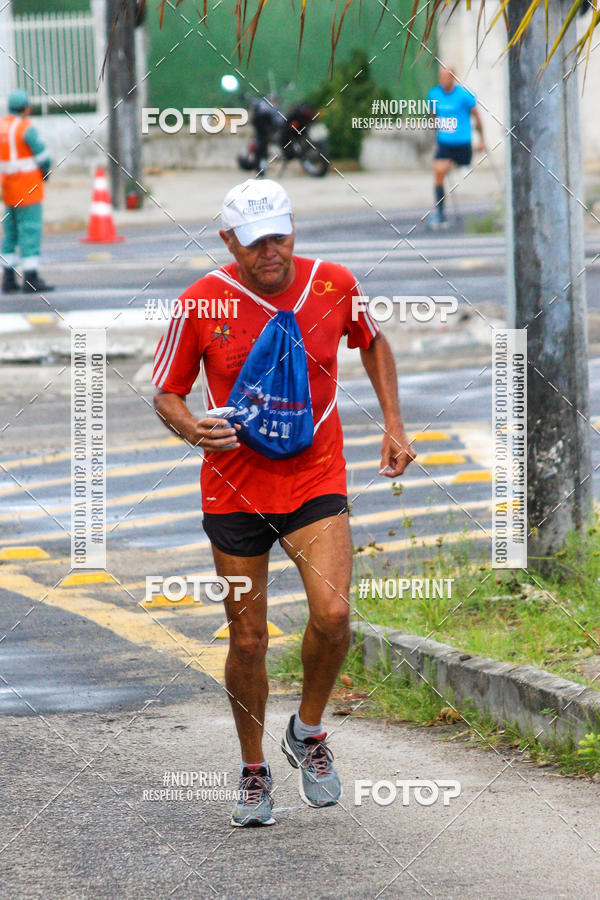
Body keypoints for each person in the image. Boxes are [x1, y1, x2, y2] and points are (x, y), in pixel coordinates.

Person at [152, 179, 416, 827]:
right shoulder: (199, 303)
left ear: (294, 227)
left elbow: (372, 340)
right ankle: (253, 770)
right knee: (248, 640)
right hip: (234, 490)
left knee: (334, 614)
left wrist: (393, 423)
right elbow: (166, 392)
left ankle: (308, 731)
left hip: (314, 481)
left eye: (279, 236)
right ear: (228, 242)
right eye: (254, 242)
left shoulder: (334, 284)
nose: (270, 251)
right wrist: (191, 428)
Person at [0, 89, 53, 293]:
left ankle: (8, 278)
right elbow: (43, 157)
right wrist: (46, 173)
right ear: (26, 108)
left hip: (8, 189)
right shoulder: (26, 128)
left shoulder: (2, 127)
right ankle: (30, 278)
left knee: (10, 233)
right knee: (30, 230)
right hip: (28, 189)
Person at [426, 68, 484, 229]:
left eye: (447, 77)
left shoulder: (464, 95)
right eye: (441, 77)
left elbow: (476, 116)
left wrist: (481, 140)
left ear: (453, 78)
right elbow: (433, 115)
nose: (444, 80)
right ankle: (440, 213)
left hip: (463, 142)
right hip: (445, 143)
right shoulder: (434, 95)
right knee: (439, 173)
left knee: (461, 171)